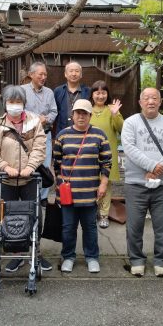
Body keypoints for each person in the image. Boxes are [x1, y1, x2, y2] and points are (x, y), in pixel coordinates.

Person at [0, 85, 52, 272]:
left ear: (24, 103)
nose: (15, 105)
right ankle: (15, 254)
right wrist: (5, 166)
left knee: (34, 215)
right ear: (5, 104)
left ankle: (35, 253)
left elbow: (39, 147)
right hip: (7, 180)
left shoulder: (34, 122)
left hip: (30, 179)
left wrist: (30, 167)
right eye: (11, 101)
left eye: (18, 101)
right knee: (8, 218)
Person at [121, 87, 163, 278]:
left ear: (160, 102)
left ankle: (161, 260)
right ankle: (136, 260)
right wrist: (153, 166)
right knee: (134, 225)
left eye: (154, 98)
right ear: (140, 102)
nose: (151, 101)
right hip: (135, 183)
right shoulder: (130, 123)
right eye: (146, 98)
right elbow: (129, 148)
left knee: (162, 225)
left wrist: (157, 169)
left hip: (161, 185)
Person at [53, 99, 111, 274]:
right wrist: (60, 183)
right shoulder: (62, 135)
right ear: (72, 114)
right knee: (68, 227)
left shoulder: (99, 135)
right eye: (78, 112)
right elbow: (56, 163)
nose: (81, 116)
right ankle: (68, 256)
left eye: (84, 113)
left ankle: (92, 257)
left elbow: (106, 162)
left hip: (90, 191)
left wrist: (103, 184)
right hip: (68, 193)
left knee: (90, 227)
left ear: (90, 115)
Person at [88, 80, 124, 229]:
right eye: (97, 92)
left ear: (107, 94)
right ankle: (90, 212)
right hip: (89, 154)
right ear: (92, 94)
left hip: (107, 154)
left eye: (103, 92)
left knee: (106, 185)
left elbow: (121, 128)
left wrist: (115, 114)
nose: (100, 95)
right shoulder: (87, 109)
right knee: (89, 184)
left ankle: (104, 214)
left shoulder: (112, 109)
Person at [21, 61, 58, 203]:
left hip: (45, 133)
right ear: (31, 75)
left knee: (45, 164)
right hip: (26, 134)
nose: (43, 77)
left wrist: (46, 119)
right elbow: (19, 110)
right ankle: (28, 194)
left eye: (45, 74)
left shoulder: (49, 92)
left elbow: (54, 111)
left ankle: (43, 197)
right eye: (40, 74)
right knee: (28, 163)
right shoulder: (22, 90)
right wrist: (37, 118)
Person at [53, 61, 90, 135]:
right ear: (65, 74)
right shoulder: (58, 91)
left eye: (77, 71)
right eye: (71, 71)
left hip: (84, 132)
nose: (74, 74)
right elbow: (55, 113)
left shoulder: (88, 91)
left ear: (81, 74)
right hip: (62, 131)